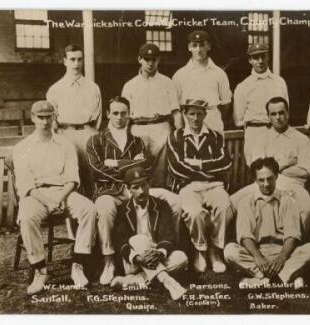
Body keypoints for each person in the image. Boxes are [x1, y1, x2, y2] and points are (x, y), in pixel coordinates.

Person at [86, 96, 181, 285]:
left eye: (123, 113)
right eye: (115, 113)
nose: (119, 117)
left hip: (139, 188)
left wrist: (114, 163)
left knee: (174, 200)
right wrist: (130, 168)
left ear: (129, 115)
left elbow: (145, 165)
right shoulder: (96, 140)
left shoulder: (137, 141)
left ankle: (166, 250)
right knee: (104, 207)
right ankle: (109, 260)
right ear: (107, 114)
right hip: (110, 191)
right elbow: (96, 170)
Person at [13, 101, 97, 295]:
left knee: (89, 209)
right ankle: (41, 270)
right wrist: (49, 201)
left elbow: (72, 178)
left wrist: (60, 197)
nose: (44, 121)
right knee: (26, 217)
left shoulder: (65, 144)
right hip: (36, 195)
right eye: (40, 117)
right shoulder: (22, 147)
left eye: (48, 117)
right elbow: (26, 185)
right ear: (33, 118)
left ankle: (78, 264)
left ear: (54, 117)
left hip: (63, 192)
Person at [224, 157, 310, 289]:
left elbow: (292, 235)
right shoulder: (246, 201)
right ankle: (286, 277)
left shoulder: (288, 200)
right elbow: (245, 235)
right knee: (230, 251)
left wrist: (281, 258)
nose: (266, 184)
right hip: (257, 253)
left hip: (284, 253)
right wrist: (258, 257)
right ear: (255, 180)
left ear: (276, 177)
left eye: (270, 178)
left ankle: (261, 280)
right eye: (261, 180)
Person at [166, 99, 234, 273]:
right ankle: (200, 251)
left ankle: (215, 251)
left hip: (214, 186)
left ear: (205, 114)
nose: (195, 118)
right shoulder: (175, 137)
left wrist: (197, 164)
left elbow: (225, 164)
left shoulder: (216, 136)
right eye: (191, 114)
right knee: (194, 212)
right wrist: (210, 167)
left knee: (225, 206)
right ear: (184, 114)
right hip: (188, 187)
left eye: (199, 114)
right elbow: (177, 169)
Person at [231, 97, 310, 237]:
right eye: (273, 114)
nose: (278, 117)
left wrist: (272, 166)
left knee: (307, 208)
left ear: (288, 113)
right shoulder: (262, 139)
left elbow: (305, 171)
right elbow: (258, 169)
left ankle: (299, 241)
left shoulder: (301, 139)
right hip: (264, 183)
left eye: (281, 113)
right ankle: (225, 245)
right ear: (268, 116)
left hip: (293, 185)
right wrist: (287, 162)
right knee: (231, 202)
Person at [111, 166, 188, 301]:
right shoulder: (123, 210)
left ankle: (131, 281)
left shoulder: (161, 205)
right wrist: (137, 257)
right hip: (135, 259)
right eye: (135, 187)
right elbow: (120, 240)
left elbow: (168, 234)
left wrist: (159, 252)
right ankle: (168, 282)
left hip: (156, 254)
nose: (141, 191)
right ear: (128, 189)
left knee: (181, 258)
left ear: (149, 184)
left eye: (144, 185)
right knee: (139, 239)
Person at [121, 43, 183, 187]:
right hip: (138, 129)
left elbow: (175, 112)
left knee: (161, 174)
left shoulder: (168, 83)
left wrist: (179, 135)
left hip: (161, 128)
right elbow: (125, 117)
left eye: (153, 59)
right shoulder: (130, 85)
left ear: (159, 60)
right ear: (139, 59)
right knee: (138, 171)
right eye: (146, 59)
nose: (150, 63)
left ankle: (160, 202)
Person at [46, 44, 102, 198]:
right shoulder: (55, 89)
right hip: (66, 134)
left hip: (87, 133)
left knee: (92, 177)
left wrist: (92, 135)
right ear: (65, 61)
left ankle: (94, 212)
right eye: (72, 59)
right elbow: (52, 122)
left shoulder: (93, 88)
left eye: (79, 59)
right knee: (70, 177)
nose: (76, 64)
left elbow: (98, 117)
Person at [233, 43, 289, 165]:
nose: (260, 61)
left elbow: (286, 110)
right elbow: (238, 120)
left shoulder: (279, 82)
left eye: (263, 56)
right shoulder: (243, 87)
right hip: (255, 134)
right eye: (255, 57)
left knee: (280, 169)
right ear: (250, 60)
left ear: (268, 57)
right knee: (258, 172)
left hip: (278, 133)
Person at [172, 30, 232, 133]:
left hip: (213, 122)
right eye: (194, 45)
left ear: (208, 46)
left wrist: (212, 115)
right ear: (189, 47)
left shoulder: (219, 73)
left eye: (202, 45)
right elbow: (175, 106)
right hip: (189, 123)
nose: (198, 50)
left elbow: (226, 104)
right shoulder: (179, 75)